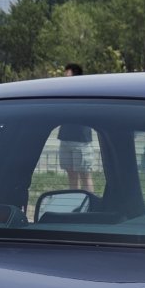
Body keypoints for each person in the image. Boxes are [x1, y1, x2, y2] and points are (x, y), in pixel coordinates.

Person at [58, 63, 95, 192]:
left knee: (85, 175)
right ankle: (75, 202)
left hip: (81, 141)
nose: (65, 77)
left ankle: (89, 205)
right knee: (71, 175)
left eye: (68, 74)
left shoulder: (85, 93)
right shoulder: (62, 93)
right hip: (65, 138)